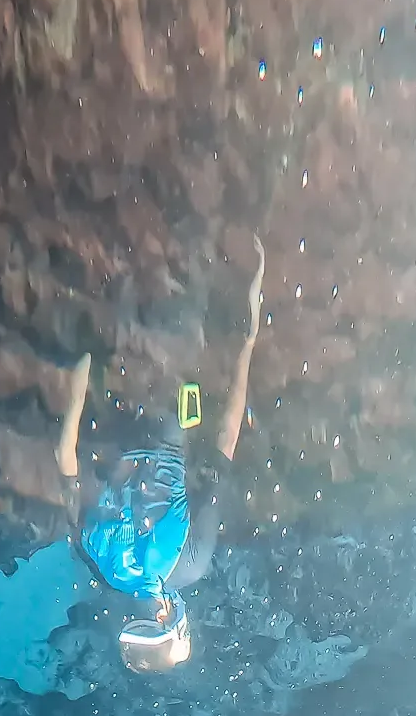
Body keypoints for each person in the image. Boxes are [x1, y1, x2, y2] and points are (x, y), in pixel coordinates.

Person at [54, 236, 266, 673]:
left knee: (189, 297)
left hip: (174, 414)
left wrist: (248, 346)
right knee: (122, 316)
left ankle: (196, 254)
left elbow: (225, 444)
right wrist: (80, 379)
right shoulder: (96, 561)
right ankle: (105, 268)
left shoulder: (192, 564)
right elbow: (66, 459)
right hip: (110, 420)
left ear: (169, 618)